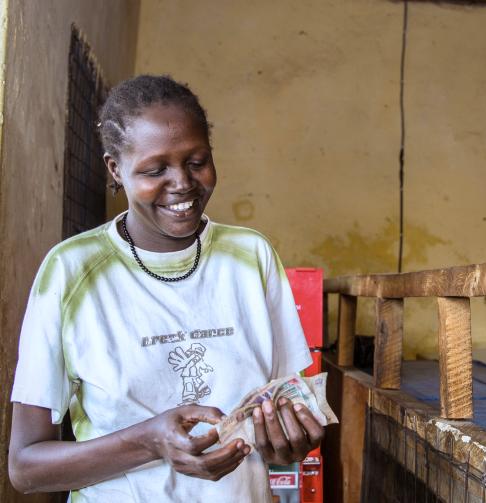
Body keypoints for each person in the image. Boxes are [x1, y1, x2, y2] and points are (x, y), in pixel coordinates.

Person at [8, 75, 323, 502]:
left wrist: (289, 439)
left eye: (197, 161)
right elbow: (26, 468)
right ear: (115, 169)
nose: (182, 184)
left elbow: (283, 414)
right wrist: (148, 441)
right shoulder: (71, 271)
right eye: (155, 169)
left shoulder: (250, 257)